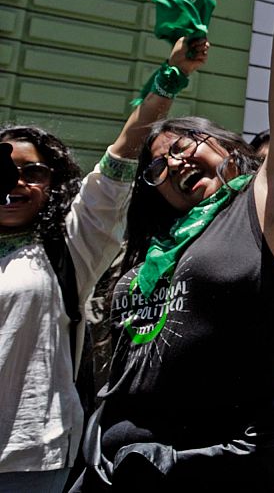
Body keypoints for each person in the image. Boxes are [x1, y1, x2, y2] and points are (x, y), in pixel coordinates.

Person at [76, 0, 274, 491]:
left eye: (187, 144)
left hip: (210, 468)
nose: (174, 161)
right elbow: (119, 166)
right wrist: (167, 81)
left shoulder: (266, 213)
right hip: (108, 468)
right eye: (159, 166)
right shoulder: (151, 244)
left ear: (227, 147)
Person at [0, 38, 206, 493]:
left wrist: (170, 77)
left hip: (27, 455)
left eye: (32, 172)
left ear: (53, 183)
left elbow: (123, 153)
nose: (15, 182)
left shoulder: (69, 246)